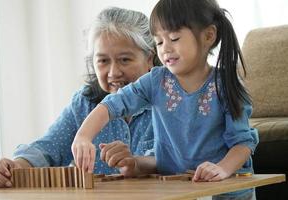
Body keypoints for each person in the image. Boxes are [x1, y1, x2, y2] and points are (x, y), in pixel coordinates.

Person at [71, 0, 259, 199]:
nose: (165, 48)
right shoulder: (155, 81)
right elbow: (113, 104)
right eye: (159, 42)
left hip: (227, 191)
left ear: (208, 36)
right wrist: (83, 136)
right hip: (178, 190)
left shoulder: (226, 84)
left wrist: (222, 169)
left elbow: (243, 143)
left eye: (174, 38)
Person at [0, 7, 160, 188]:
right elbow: (48, 148)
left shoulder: (170, 101)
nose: (113, 72)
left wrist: (137, 162)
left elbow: (176, 160)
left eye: (125, 59)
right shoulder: (85, 103)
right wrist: (15, 167)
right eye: (103, 61)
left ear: (149, 58)